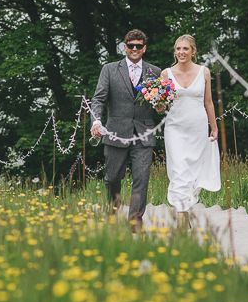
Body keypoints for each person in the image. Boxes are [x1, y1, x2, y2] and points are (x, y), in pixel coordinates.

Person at [90, 29, 162, 231]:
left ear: (144, 48)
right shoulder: (110, 69)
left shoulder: (154, 72)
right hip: (115, 132)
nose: (135, 49)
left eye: (139, 46)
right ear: (125, 47)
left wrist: (161, 106)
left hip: (144, 133)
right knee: (112, 178)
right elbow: (99, 99)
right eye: (131, 46)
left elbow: (163, 103)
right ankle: (113, 213)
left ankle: (135, 223)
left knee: (141, 179)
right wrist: (96, 122)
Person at [162, 35, 221, 223]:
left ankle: (185, 209)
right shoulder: (166, 74)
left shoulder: (204, 72)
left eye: (185, 49)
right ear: (175, 51)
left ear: (193, 51)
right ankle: (181, 218)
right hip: (174, 128)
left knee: (193, 172)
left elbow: (209, 102)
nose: (181, 52)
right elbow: (162, 105)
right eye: (178, 49)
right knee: (179, 170)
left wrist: (214, 126)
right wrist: (157, 104)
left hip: (197, 127)